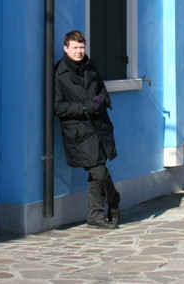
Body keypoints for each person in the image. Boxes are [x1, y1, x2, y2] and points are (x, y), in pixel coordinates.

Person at [54, 30, 121, 229]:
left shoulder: (90, 65)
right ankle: (107, 205)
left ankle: (103, 209)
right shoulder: (59, 74)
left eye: (82, 47)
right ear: (66, 48)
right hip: (79, 132)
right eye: (75, 47)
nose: (79, 51)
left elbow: (100, 87)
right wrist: (86, 107)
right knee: (98, 172)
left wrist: (102, 99)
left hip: (100, 127)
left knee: (98, 171)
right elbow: (57, 107)